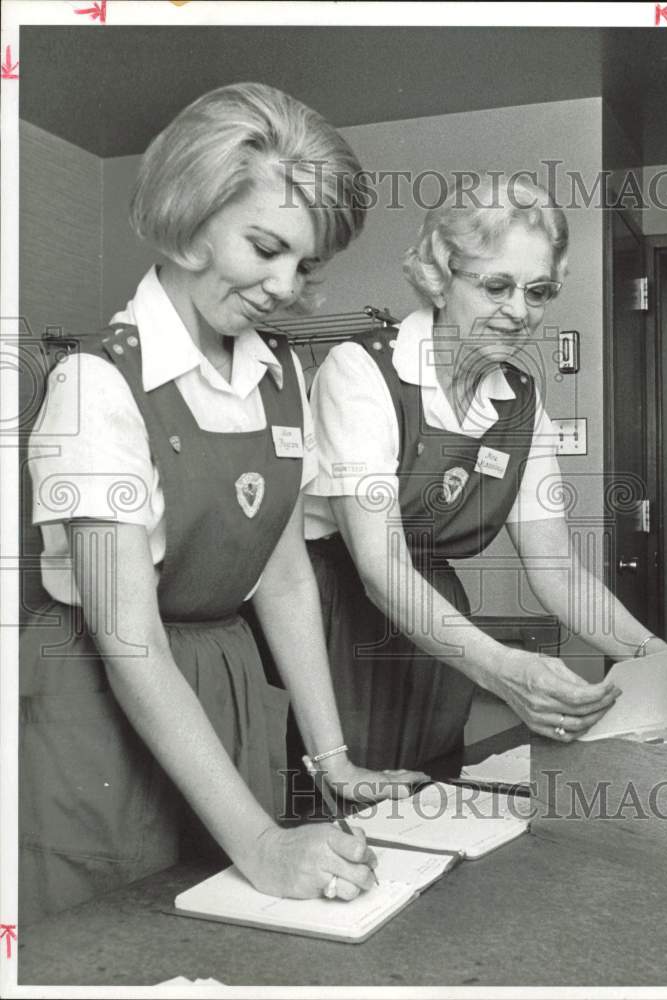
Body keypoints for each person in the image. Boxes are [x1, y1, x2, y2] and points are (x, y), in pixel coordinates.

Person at [19, 82, 422, 924]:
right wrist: (267, 844)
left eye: (306, 264)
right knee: (115, 939)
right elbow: (128, 640)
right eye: (266, 246)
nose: (285, 286)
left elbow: (281, 583)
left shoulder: (281, 380)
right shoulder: (97, 384)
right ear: (193, 211)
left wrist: (333, 761)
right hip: (105, 703)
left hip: (227, 690)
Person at [301, 172, 667, 772]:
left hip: (440, 631)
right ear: (441, 273)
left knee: (430, 800)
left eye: (538, 292)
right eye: (497, 286)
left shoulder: (521, 402)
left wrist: (661, 663)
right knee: (337, 809)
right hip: (336, 620)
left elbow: (560, 574)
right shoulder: (361, 372)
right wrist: (503, 668)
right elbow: (381, 568)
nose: (518, 312)